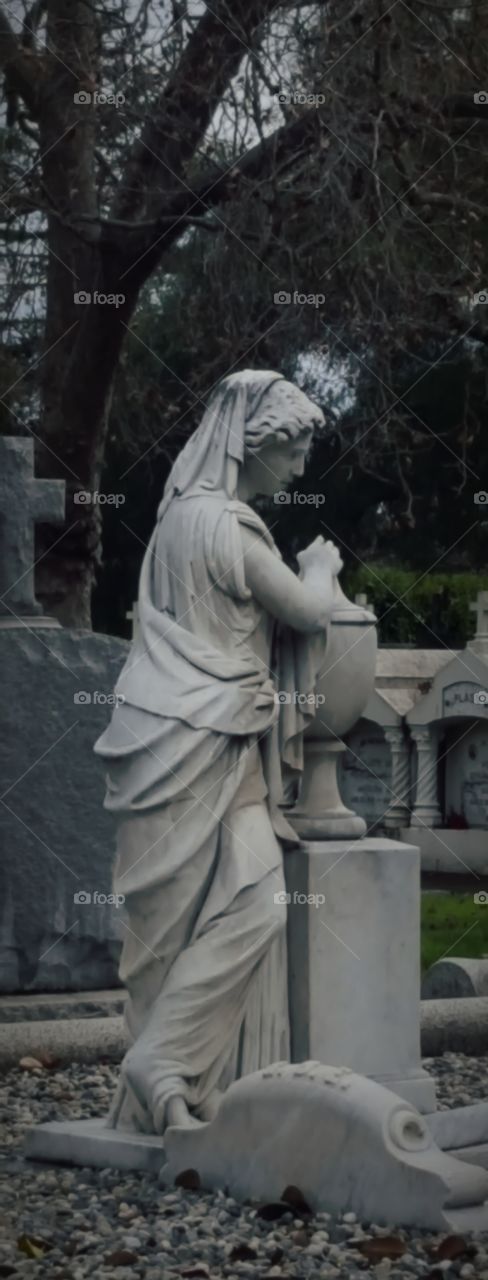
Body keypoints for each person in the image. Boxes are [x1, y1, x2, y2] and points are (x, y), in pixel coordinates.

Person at [94, 369, 343, 1135]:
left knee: (255, 902)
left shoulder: (172, 524)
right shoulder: (226, 526)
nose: (300, 468)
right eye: (293, 449)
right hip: (203, 739)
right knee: (208, 916)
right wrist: (320, 570)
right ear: (251, 441)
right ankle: (165, 1078)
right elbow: (305, 613)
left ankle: (160, 1064)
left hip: (186, 738)